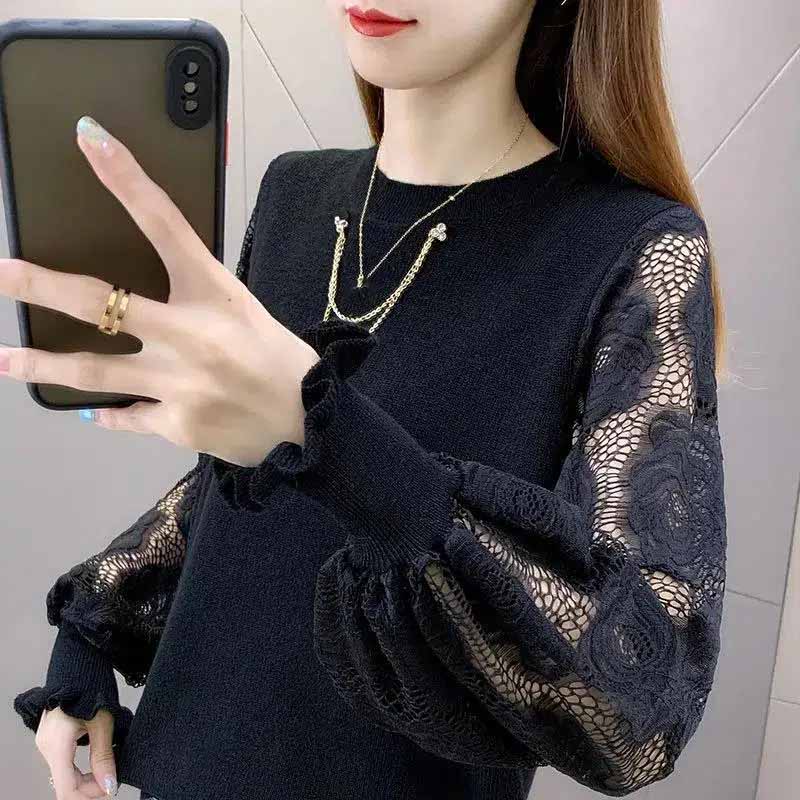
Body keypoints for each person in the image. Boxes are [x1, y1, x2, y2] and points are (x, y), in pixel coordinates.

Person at [8, 1, 728, 799]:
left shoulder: (633, 248)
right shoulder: (293, 194)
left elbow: (640, 711)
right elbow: (235, 490)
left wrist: (329, 438)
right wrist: (92, 630)